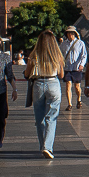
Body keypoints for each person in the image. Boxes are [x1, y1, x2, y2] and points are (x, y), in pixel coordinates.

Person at [26, 31, 65, 159]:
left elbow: (27, 73)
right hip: (53, 83)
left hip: (38, 84)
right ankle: (47, 147)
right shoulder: (57, 55)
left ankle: (43, 145)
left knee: (40, 118)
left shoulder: (34, 55)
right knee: (51, 117)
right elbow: (61, 75)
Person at [62, 29, 87, 110]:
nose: (70, 35)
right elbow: (60, 54)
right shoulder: (63, 44)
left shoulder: (80, 43)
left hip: (76, 68)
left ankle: (79, 99)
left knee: (77, 86)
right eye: (69, 33)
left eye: (72, 33)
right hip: (67, 68)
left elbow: (84, 55)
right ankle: (69, 104)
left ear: (75, 34)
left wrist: (82, 64)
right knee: (68, 84)